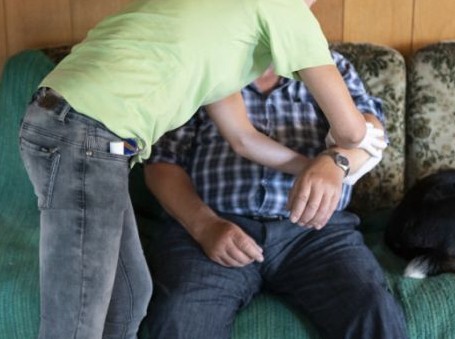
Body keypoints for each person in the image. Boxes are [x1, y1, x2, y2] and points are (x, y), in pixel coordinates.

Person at [17, 0, 378, 337]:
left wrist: (315, 169)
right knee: (76, 321)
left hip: (72, 127)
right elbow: (351, 128)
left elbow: (241, 137)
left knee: (129, 300)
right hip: (84, 131)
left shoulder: (218, 20)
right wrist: (349, 155)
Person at [143, 51, 408, 338]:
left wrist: (336, 162)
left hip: (316, 232)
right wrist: (204, 225)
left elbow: (372, 132)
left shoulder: (327, 63)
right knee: (179, 316)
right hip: (216, 226)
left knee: (372, 309)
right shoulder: (206, 60)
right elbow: (162, 162)